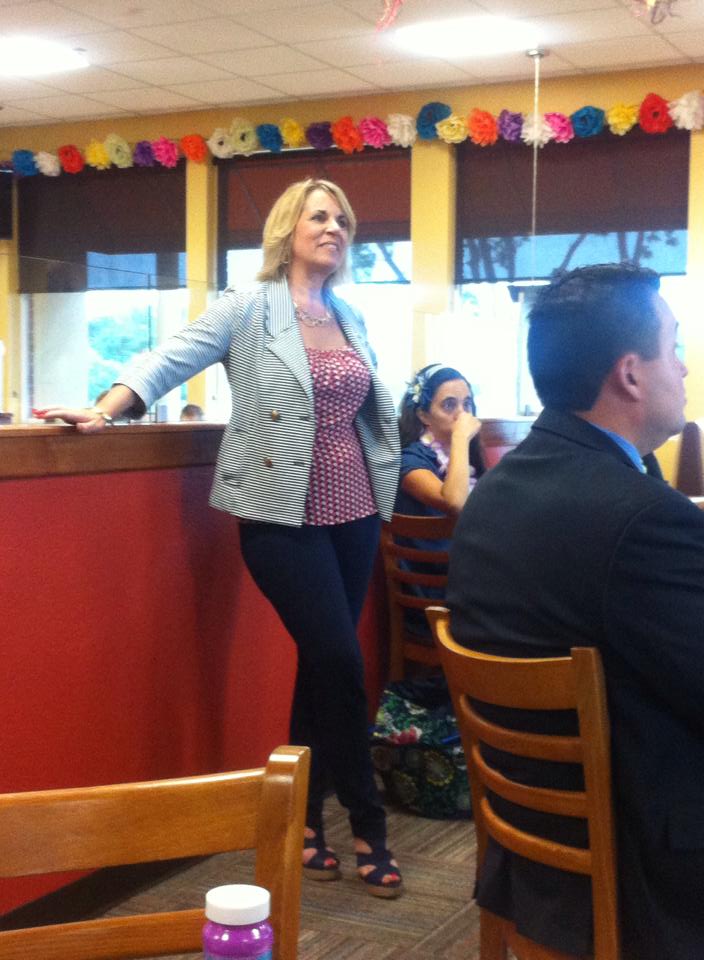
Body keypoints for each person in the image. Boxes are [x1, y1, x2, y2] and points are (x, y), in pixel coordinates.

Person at [33, 178, 403, 898]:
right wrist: (106, 409)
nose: (334, 227)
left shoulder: (349, 313)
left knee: (320, 665)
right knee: (339, 658)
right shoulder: (249, 306)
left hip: (355, 509)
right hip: (279, 514)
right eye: (319, 216)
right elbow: (172, 357)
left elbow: (363, 408)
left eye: (343, 218)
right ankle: (369, 821)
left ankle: (301, 822)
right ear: (287, 229)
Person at [446, 263, 702, 960]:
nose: (684, 366)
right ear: (630, 374)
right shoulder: (643, 521)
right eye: (674, 346)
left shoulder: (495, 493)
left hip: (530, 855)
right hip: (640, 875)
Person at [396, 363, 484, 518]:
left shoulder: (467, 451)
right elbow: (456, 504)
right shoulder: (409, 460)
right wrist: (460, 437)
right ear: (423, 415)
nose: (462, 414)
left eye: (467, 404)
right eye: (449, 405)